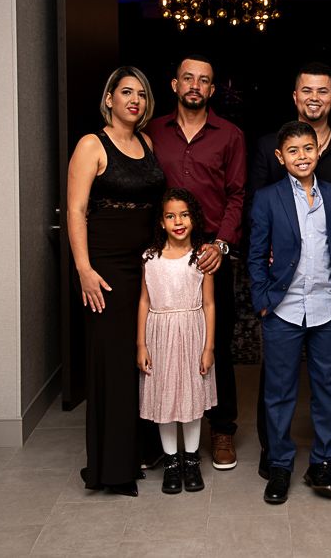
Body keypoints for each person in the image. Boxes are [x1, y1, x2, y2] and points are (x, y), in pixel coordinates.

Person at [249, 62, 331, 478]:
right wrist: (262, 298)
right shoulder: (268, 191)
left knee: (327, 387)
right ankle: (278, 463)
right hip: (282, 303)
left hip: (329, 304)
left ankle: (324, 461)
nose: (302, 156)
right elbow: (256, 248)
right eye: (293, 151)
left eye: (308, 150)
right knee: (279, 389)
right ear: (280, 157)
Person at [67, 66, 165, 496]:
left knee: (141, 357)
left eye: (141, 94)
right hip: (105, 268)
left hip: (145, 265)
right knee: (111, 362)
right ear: (109, 99)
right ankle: (112, 468)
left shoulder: (147, 143)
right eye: (126, 92)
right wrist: (84, 270)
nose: (134, 100)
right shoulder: (92, 144)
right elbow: (76, 210)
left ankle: (141, 449)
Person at [146, 54, 246, 471]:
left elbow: (237, 195)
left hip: (209, 257)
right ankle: (161, 435)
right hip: (164, 256)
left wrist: (221, 245)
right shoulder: (152, 131)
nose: (194, 86)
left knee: (215, 341)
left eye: (203, 80)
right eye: (188, 78)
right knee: (162, 343)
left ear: (212, 89)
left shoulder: (231, 135)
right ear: (175, 85)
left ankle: (222, 429)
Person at [138, 188, 218, 494]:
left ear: (193, 218)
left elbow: (209, 304)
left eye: (184, 215)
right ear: (161, 222)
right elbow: (144, 302)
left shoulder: (200, 258)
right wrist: (141, 345)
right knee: (166, 398)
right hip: (160, 336)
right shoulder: (150, 258)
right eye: (170, 216)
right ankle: (171, 462)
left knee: (191, 399)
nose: (178, 221)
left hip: (192, 334)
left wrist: (208, 347)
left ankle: (191, 460)